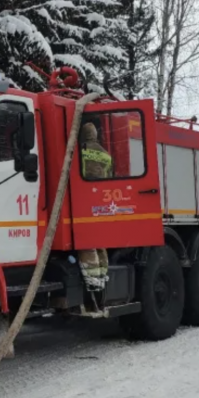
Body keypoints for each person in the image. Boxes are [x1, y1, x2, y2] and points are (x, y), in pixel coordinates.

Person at [78, 121, 112, 291]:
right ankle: (103, 276)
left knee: (88, 242)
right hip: (102, 201)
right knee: (100, 241)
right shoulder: (106, 154)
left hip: (85, 199)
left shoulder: (81, 151)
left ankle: (92, 281)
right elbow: (109, 175)